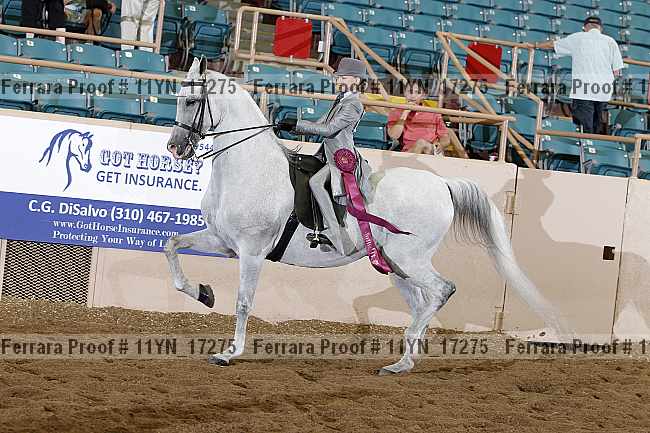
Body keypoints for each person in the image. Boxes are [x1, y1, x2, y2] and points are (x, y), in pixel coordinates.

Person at [276, 58, 372, 254]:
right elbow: (320, 123)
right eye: (339, 77)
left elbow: (328, 130)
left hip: (342, 158)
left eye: (343, 77)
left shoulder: (353, 104)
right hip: (328, 154)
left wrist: (297, 124)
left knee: (316, 182)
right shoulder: (341, 99)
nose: (338, 80)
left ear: (355, 80)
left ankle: (334, 232)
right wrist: (293, 126)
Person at [534, 16, 624, 134]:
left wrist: (535, 45)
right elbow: (616, 71)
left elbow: (553, 45)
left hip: (583, 89)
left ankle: (585, 144)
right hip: (603, 90)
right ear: (600, 28)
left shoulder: (578, 38)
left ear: (585, 27)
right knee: (597, 124)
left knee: (583, 126)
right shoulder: (610, 41)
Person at [387, 80, 450, 155]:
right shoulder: (396, 112)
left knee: (421, 143)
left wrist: (441, 144)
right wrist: (405, 113)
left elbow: (445, 137)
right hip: (409, 151)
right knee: (419, 144)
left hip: (430, 150)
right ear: (404, 93)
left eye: (417, 92)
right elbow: (394, 136)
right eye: (410, 92)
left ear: (423, 95)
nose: (413, 96)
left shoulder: (433, 113)